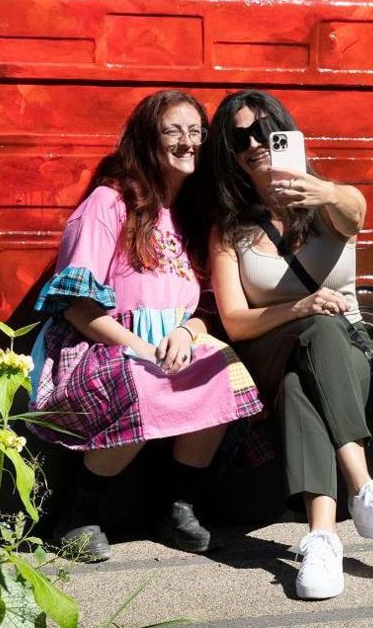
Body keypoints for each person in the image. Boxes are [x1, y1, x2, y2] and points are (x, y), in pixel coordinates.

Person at [195, 89, 373, 601]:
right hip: (268, 351)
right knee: (313, 335)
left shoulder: (326, 205)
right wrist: (298, 308)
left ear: (287, 132)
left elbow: (357, 211)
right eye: (239, 137)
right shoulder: (229, 228)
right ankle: (364, 490)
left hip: (345, 353)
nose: (255, 142)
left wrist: (322, 192)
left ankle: (322, 539)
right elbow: (235, 322)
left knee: (310, 374)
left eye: (265, 130)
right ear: (228, 151)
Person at [28, 90, 263, 563]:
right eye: (173, 131)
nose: (188, 142)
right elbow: (75, 307)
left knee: (225, 370)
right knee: (141, 379)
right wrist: (142, 347)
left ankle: (177, 507)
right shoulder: (108, 203)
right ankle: (78, 513)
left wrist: (187, 333)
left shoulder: (194, 215)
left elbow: (210, 307)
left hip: (174, 343)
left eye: (196, 131)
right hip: (102, 340)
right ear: (146, 140)